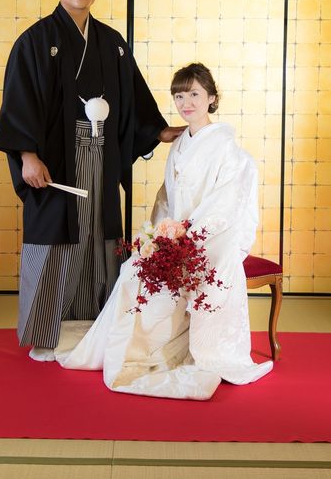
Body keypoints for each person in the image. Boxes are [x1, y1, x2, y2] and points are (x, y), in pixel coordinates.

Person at [0, 0, 183, 362]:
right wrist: (27, 155)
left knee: (100, 239)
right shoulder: (36, 41)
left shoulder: (112, 43)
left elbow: (134, 99)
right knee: (54, 241)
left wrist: (157, 130)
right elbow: (19, 101)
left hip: (100, 157)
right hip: (55, 162)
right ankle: (45, 335)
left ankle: (94, 331)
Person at [55, 62, 273, 400]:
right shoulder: (179, 144)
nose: (186, 103)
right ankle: (137, 349)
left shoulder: (228, 151)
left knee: (187, 279)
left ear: (212, 98)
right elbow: (166, 199)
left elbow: (225, 206)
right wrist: (160, 236)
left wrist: (189, 235)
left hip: (211, 240)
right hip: (177, 237)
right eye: (179, 96)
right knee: (133, 271)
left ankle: (176, 347)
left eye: (195, 94)